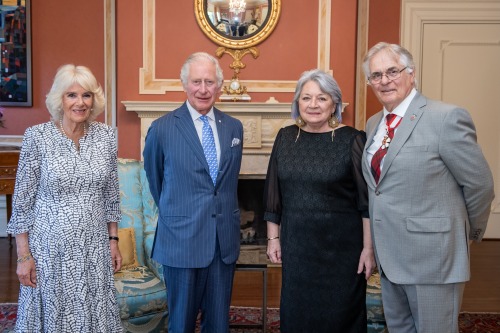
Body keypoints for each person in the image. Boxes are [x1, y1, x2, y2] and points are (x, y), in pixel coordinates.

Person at [361, 42, 495, 332]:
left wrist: (465, 233)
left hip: (434, 257)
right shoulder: (374, 124)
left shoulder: (445, 117)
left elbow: (480, 184)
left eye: (392, 71)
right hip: (390, 257)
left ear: (411, 73)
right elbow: (379, 188)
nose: (385, 80)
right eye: (376, 75)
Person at [7, 64, 123, 332]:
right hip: (49, 250)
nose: (80, 103)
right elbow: (22, 203)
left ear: (94, 99)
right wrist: (24, 257)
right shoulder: (37, 137)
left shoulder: (106, 136)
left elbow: (110, 195)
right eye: (72, 95)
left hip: (93, 248)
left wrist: (113, 240)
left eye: (86, 95)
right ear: (59, 98)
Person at [264, 69, 375, 332]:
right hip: (298, 248)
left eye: (322, 98)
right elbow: (272, 192)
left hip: (341, 252)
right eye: (306, 98)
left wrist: (368, 249)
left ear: (334, 103)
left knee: (340, 316)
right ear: (297, 103)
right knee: (298, 315)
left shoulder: (352, 139)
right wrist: (273, 238)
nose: (313, 105)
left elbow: (366, 202)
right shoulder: (286, 137)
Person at [143, 52, 243, 333]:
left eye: (209, 82)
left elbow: (228, 182)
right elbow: (156, 179)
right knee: (181, 324)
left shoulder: (234, 127)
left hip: (222, 242)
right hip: (181, 241)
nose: (203, 89)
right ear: (184, 84)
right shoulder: (162, 128)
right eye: (196, 81)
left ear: (219, 86)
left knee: (218, 324)